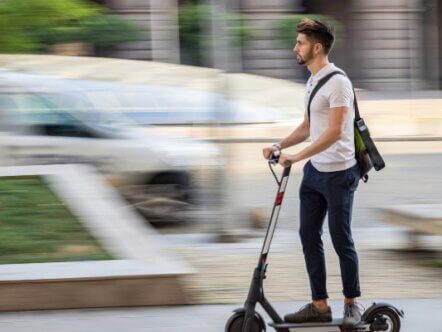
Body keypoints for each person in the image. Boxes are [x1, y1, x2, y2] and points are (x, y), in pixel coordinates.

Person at [262, 18, 362, 326]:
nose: (296, 48)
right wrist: (280, 145)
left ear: (316, 48)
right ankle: (320, 305)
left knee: (340, 237)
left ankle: (351, 302)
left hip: (339, 174)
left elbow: (333, 132)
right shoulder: (312, 80)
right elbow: (308, 127)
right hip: (315, 173)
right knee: (308, 235)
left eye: (301, 43)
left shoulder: (339, 83)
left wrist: (296, 157)